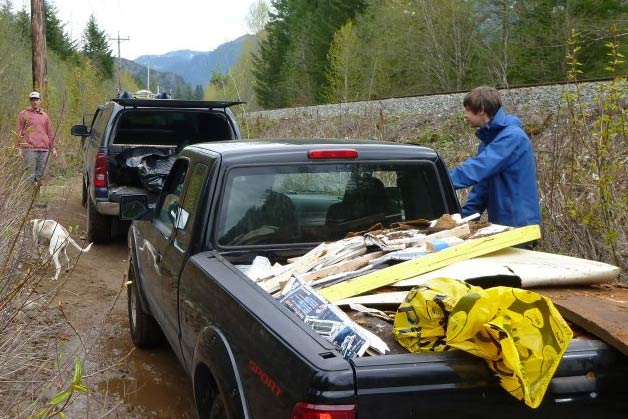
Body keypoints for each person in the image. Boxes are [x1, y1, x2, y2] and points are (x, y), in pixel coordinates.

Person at [449, 86, 540, 228]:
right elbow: (482, 188)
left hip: (519, 225)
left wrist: (442, 181)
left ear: (481, 110)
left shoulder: (512, 137)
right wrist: (463, 218)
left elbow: (479, 167)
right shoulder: (489, 142)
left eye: (467, 110)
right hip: (501, 224)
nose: (465, 115)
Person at [15, 91, 57, 183]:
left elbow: (49, 132)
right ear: (30, 101)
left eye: (37, 99)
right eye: (33, 100)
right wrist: (18, 148)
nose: (35, 102)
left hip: (44, 149)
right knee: (29, 175)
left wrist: (53, 147)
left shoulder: (44, 115)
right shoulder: (24, 114)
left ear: (40, 101)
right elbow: (19, 131)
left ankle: (35, 195)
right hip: (30, 148)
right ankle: (28, 196)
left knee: (41, 175)